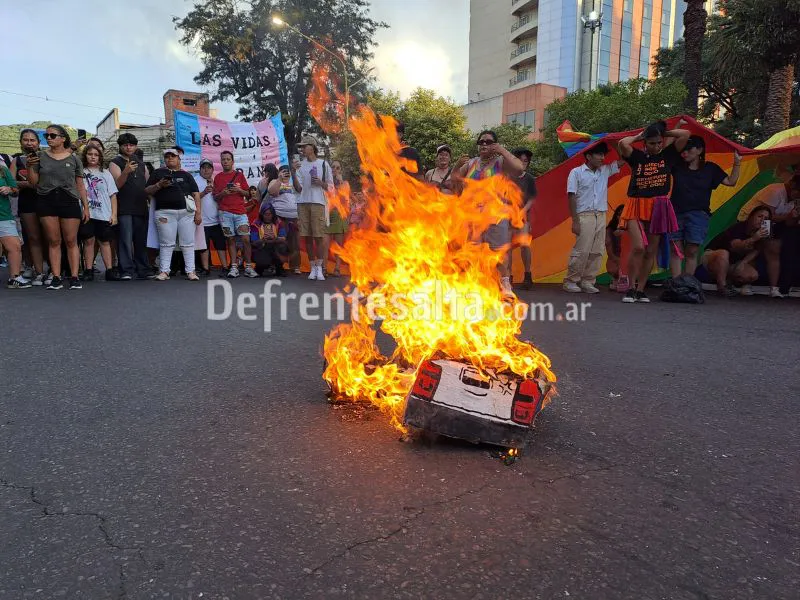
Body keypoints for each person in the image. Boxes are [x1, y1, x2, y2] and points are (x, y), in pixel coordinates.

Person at [616, 120, 690, 303]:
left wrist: (664, 133)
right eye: (652, 143)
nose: (657, 146)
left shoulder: (669, 155)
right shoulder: (637, 156)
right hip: (635, 204)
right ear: (644, 143)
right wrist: (640, 135)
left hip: (659, 206)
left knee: (650, 251)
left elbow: (685, 134)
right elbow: (623, 144)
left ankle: (640, 290)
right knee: (639, 247)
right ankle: (630, 288)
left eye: (659, 142)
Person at [450, 129, 525, 296]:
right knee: (472, 252)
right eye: (481, 141)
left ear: (495, 144)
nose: (484, 144)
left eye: (488, 141)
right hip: (473, 216)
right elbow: (453, 181)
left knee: (498, 252)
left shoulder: (501, 162)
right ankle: (473, 285)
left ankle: (505, 286)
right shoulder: (471, 163)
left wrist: (502, 150)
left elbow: (519, 169)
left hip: (496, 215)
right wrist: (456, 165)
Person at [26, 124, 90, 290]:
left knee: (71, 240)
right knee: (54, 241)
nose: (48, 138)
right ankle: (56, 276)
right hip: (46, 200)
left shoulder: (74, 158)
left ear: (63, 138)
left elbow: (80, 184)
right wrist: (29, 166)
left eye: (52, 135)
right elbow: (33, 183)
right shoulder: (39, 156)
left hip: (69, 200)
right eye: (46, 136)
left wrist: (86, 207)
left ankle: (74, 276)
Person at [669, 136, 741, 282]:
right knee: (675, 250)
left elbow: (731, 182)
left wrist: (737, 163)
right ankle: (676, 283)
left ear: (700, 150)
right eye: (683, 150)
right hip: (675, 212)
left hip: (698, 215)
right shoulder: (676, 165)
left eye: (689, 149)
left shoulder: (710, 168)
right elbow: (667, 149)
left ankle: (688, 283)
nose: (685, 153)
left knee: (692, 250)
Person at [563, 142, 622, 293]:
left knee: (597, 250)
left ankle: (588, 281)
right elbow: (571, 197)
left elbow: (625, 159)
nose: (602, 158)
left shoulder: (605, 170)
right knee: (582, 250)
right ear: (589, 156)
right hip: (584, 215)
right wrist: (575, 220)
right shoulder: (576, 172)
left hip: (601, 215)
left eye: (604, 154)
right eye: (599, 154)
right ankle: (571, 280)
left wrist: (616, 143)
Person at [736, 170, 800, 297]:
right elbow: (767, 217)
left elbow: (787, 223)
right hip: (750, 221)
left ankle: (774, 288)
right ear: (792, 185)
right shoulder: (775, 191)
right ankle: (746, 283)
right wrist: (788, 216)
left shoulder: (794, 200)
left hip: (773, 225)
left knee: (774, 248)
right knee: (757, 246)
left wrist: (794, 218)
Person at [144, 148, 202, 281]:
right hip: (164, 212)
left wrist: (198, 212)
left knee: (187, 243)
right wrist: (159, 184)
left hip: (186, 213)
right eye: (167, 156)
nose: (170, 158)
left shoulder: (186, 175)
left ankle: (191, 271)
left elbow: (196, 194)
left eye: (173, 156)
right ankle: (164, 271)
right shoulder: (158, 173)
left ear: (178, 159)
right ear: (164, 159)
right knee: (166, 243)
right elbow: (147, 190)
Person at [702, 205, 773, 295]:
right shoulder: (740, 227)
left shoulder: (762, 234)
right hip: (712, 256)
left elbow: (756, 251)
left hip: (732, 262)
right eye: (759, 216)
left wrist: (743, 262)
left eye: (766, 218)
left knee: (752, 275)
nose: (762, 220)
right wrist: (753, 238)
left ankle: (729, 281)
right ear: (751, 217)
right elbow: (735, 246)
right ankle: (722, 286)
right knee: (724, 253)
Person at [109, 133, 151, 280]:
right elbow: (115, 186)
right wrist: (126, 172)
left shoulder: (141, 163)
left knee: (141, 240)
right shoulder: (115, 162)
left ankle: (143, 269)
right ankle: (126, 269)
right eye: (125, 145)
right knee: (125, 240)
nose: (128, 147)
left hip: (141, 206)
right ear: (120, 146)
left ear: (136, 146)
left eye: (132, 145)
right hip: (124, 207)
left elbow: (147, 186)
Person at [294, 135, 334, 281]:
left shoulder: (323, 164)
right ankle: (312, 267)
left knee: (319, 236)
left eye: (305, 146)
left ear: (312, 147)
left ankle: (320, 267)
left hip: (318, 202)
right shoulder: (300, 165)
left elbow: (331, 188)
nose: (302, 149)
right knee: (307, 236)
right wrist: (293, 172)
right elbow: (297, 188)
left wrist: (321, 183)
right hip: (303, 202)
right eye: (301, 147)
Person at [213, 150, 257, 278]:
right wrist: (223, 193)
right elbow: (215, 197)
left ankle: (248, 267)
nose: (225, 161)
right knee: (230, 240)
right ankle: (233, 267)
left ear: (232, 161)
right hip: (224, 213)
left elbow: (249, 194)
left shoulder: (239, 175)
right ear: (220, 161)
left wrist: (239, 190)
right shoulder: (218, 177)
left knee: (245, 240)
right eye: (223, 159)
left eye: (228, 159)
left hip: (240, 212)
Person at [11, 129, 46, 284]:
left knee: (50, 238)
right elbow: (11, 184)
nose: (29, 143)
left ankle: (54, 271)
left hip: (47, 202)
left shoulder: (46, 158)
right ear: (21, 142)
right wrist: (27, 184)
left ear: (38, 143)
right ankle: (38, 272)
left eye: (33, 140)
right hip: (27, 203)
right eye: (26, 140)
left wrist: (32, 184)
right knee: (32, 238)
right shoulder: (16, 161)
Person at [79, 145, 118, 281]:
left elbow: (113, 195)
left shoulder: (106, 173)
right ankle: (88, 270)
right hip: (88, 213)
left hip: (103, 213)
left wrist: (113, 215)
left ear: (100, 157)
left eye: (96, 154)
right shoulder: (80, 172)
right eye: (90, 154)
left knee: (105, 241)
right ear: (85, 156)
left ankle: (109, 270)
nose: (93, 157)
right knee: (88, 241)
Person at [263, 163, 300, 274]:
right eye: (283, 171)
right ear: (279, 173)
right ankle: (278, 266)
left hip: (294, 217)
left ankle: (295, 266)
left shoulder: (293, 182)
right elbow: (271, 191)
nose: (286, 172)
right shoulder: (275, 181)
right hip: (280, 216)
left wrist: (294, 174)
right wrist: (279, 179)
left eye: (287, 171)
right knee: (280, 242)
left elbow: (300, 190)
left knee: (295, 242)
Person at [510, 147, 538, 289]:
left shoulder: (529, 179)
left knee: (525, 245)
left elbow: (531, 199)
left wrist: (522, 212)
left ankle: (527, 275)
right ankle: (507, 277)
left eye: (526, 161)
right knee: (506, 247)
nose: (523, 163)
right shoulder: (506, 177)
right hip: (507, 216)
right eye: (520, 160)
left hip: (523, 217)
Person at [195, 158, 228, 276]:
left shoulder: (216, 180)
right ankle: (205, 268)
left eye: (208, 167)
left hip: (217, 220)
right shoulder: (195, 180)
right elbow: (191, 197)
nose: (206, 170)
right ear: (200, 169)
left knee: (220, 244)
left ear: (212, 169)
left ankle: (225, 267)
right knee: (204, 246)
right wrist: (204, 192)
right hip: (202, 220)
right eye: (203, 168)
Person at [0, 162, 29, 288]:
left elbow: (15, 190)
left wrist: (9, 189)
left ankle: (15, 278)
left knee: (15, 247)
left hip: (4, 215)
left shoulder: (3, 170)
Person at [325, 160, 349, 277]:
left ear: (341, 170)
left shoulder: (345, 184)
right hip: (328, 215)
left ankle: (337, 268)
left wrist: (339, 181)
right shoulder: (327, 184)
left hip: (339, 215)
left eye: (338, 168)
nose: (335, 170)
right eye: (333, 167)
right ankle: (325, 267)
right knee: (326, 244)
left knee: (338, 244)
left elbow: (345, 200)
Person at [252, 204, 288, 277]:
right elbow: (253, 242)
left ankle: (279, 267)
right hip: (261, 247)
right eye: (265, 214)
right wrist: (263, 240)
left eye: (269, 214)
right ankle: (259, 267)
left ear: (273, 214)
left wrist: (275, 238)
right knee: (261, 258)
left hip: (275, 246)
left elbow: (283, 238)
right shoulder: (255, 224)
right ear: (262, 214)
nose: (267, 216)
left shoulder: (279, 223)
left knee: (283, 246)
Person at [605, 204, 625, 290]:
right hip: (615, 258)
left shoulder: (633, 228)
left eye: (623, 214)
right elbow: (608, 248)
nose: (620, 216)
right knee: (613, 269)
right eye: (619, 214)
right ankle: (617, 278)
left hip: (629, 258)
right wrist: (618, 261)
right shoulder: (610, 229)